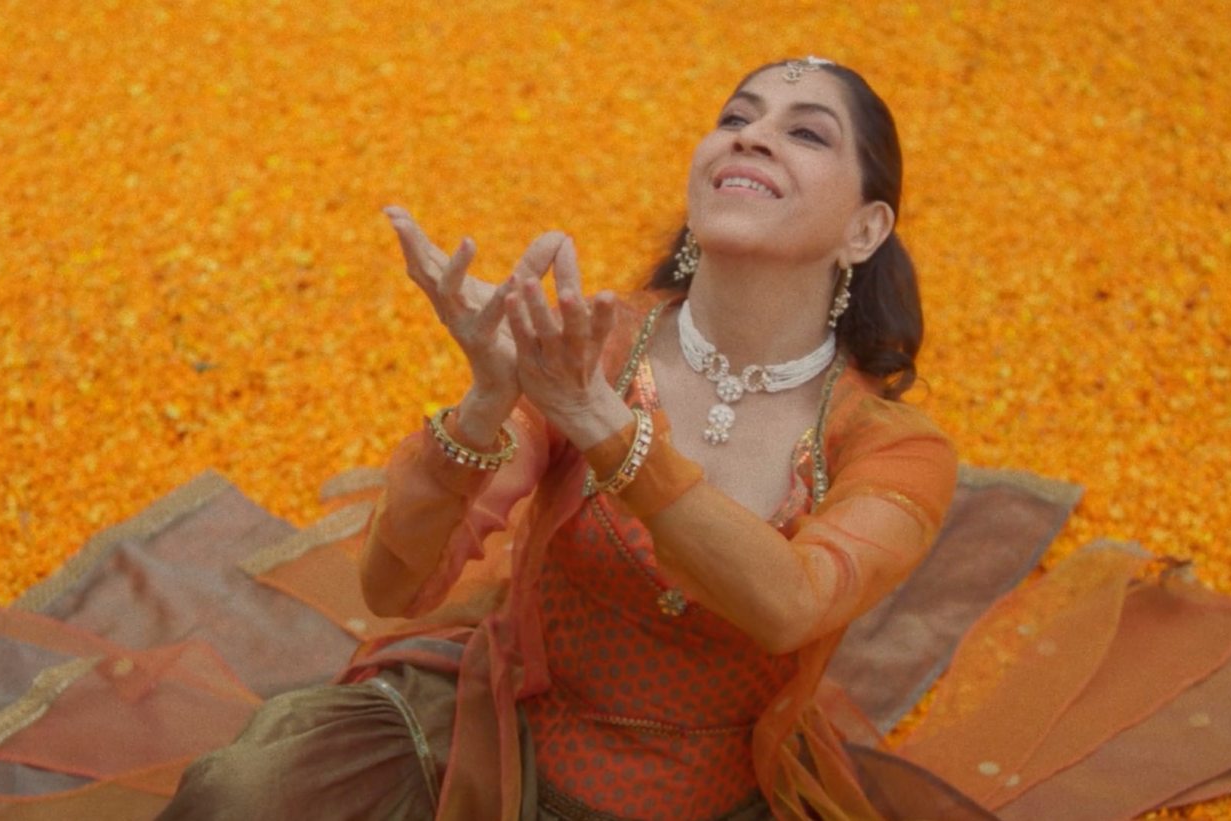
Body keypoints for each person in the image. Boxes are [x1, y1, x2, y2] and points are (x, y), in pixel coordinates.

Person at [157, 56, 959, 821]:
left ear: (865, 229)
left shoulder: (892, 448)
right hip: (495, 750)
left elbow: (789, 606)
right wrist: (486, 400)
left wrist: (603, 429)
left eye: (807, 133)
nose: (751, 136)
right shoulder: (594, 344)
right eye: (735, 118)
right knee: (247, 796)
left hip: (725, 794)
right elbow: (394, 590)